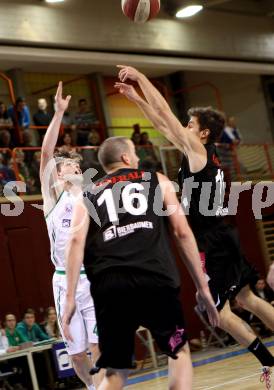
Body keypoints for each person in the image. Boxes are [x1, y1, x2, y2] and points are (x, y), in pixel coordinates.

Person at [114, 65, 274, 386]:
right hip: (221, 232)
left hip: (211, 241)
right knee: (248, 300)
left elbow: (165, 114)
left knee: (222, 315)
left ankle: (269, 363)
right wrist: (136, 99)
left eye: (190, 124)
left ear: (201, 133)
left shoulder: (198, 150)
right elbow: (162, 122)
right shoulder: (200, 153)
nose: (182, 127)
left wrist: (142, 80)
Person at [62, 136, 219, 390]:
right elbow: (182, 232)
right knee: (178, 352)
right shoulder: (157, 179)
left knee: (115, 373)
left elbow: (75, 241)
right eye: (134, 153)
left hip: (110, 285)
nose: (136, 158)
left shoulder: (87, 194)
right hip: (154, 276)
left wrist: (69, 297)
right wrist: (203, 287)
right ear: (125, 157)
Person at [40, 82, 101, 390]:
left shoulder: (91, 199)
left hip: (92, 278)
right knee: (77, 354)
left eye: (75, 164)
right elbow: (46, 152)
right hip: (64, 280)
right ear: (58, 173)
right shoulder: (53, 199)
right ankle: (92, 387)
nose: (72, 168)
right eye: (65, 166)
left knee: (98, 347)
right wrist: (59, 113)